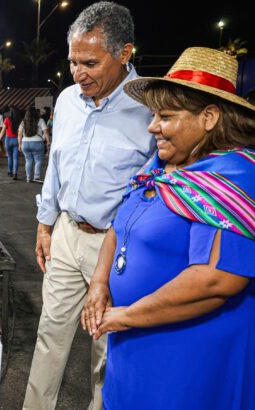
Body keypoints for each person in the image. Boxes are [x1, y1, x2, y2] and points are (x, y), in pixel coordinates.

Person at [81, 47, 255, 410]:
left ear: (209, 117)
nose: (152, 126)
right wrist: (99, 284)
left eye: (166, 116)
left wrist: (126, 316)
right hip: (133, 344)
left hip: (185, 361)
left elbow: (215, 280)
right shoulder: (165, 167)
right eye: (153, 114)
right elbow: (119, 227)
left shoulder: (233, 179)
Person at [24, 2, 156, 410]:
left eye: (90, 62)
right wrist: (45, 225)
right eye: (72, 62)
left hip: (116, 248)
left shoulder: (150, 108)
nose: (78, 73)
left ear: (124, 53)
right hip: (66, 234)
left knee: (106, 344)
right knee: (50, 334)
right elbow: (55, 167)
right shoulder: (66, 100)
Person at [18, 106, 50, 183]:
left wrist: (19, 144)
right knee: (38, 160)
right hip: (37, 143)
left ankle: (28, 178)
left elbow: (19, 134)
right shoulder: (40, 120)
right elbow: (45, 131)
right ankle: (37, 177)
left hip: (25, 143)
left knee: (28, 161)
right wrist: (48, 141)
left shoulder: (23, 122)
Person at [0, 107, 22, 179]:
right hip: (16, 140)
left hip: (8, 140)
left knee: (10, 157)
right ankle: (15, 174)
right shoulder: (19, 120)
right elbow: (20, 132)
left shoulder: (7, 119)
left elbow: (3, 131)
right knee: (16, 158)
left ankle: (10, 172)